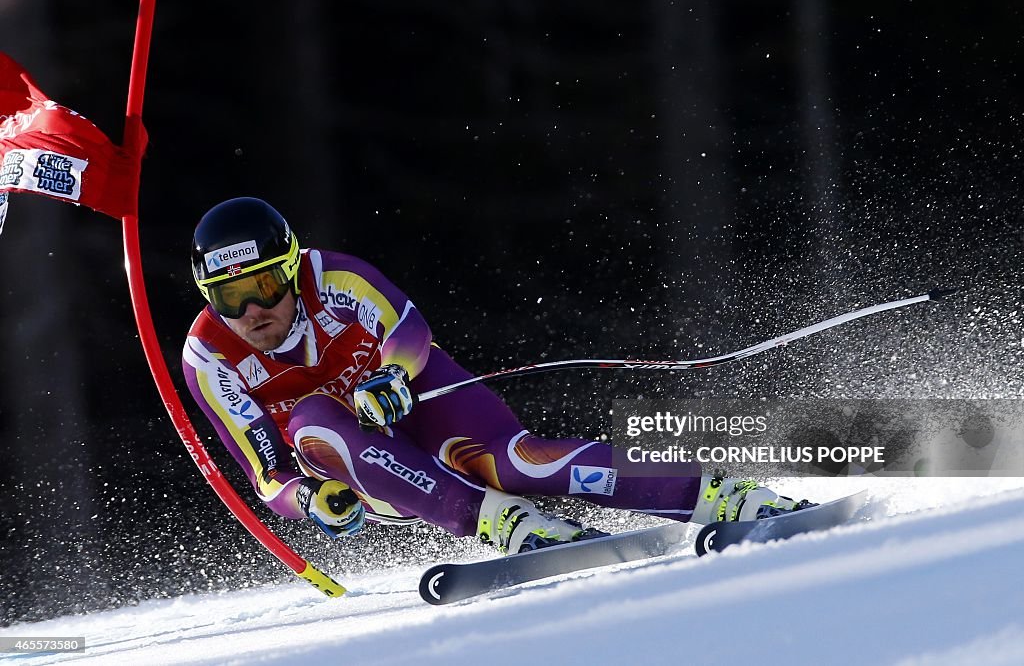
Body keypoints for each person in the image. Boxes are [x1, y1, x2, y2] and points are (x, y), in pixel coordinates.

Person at [182, 197, 811, 553]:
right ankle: (500, 522)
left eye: (263, 285)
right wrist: (313, 500)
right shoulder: (209, 359)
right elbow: (268, 477)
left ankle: (716, 492)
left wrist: (393, 374)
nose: (252, 311)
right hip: (369, 467)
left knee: (518, 463)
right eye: (228, 296)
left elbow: (410, 333)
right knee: (315, 421)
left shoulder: (334, 278)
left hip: (410, 401)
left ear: (290, 268)